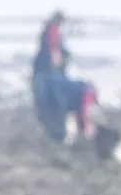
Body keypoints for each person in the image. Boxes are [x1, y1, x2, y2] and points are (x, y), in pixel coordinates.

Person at [31, 11, 96, 142]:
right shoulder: (52, 32)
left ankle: (49, 138)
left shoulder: (49, 33)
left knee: (47, 115)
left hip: (46, 83)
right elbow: (82, 112)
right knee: (54, 119)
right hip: (50, 84)